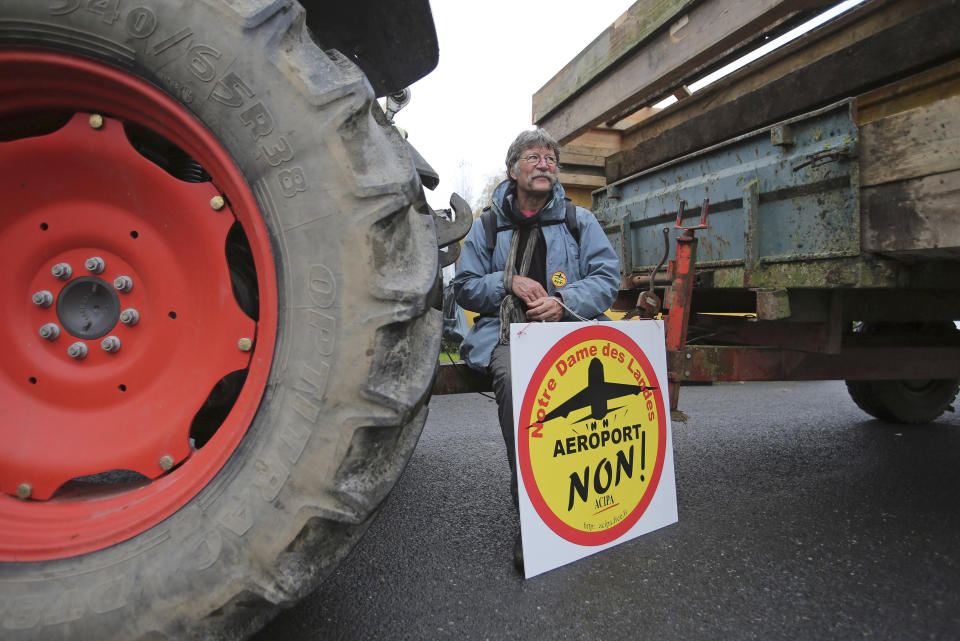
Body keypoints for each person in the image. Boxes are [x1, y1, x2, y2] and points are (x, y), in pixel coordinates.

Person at [453, 128, 620, 570]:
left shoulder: (578, 220)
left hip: (570, 333)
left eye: (550, 158)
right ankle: (533, 512)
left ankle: (597, 502)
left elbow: (607, 279)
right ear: (514, 170)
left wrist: (564, 304)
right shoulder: (488, 225)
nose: (544, 163)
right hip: (509, 336)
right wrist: (507, 282)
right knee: (512, 377)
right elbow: (465, 287)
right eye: (533, 156)